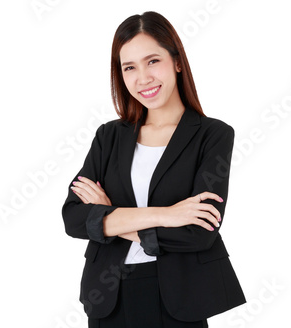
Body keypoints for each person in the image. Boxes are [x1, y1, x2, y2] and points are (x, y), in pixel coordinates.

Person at [61, 11, 246, 328]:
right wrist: (166, 215)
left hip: (179, 299)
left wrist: (110, 216)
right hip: (109, 295)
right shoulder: (109, 136)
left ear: (176, 61)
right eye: (129, 67)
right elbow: (74, 218)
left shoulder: (212, 135)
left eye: (152, 61)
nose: (142, 77)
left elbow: (199, 231)